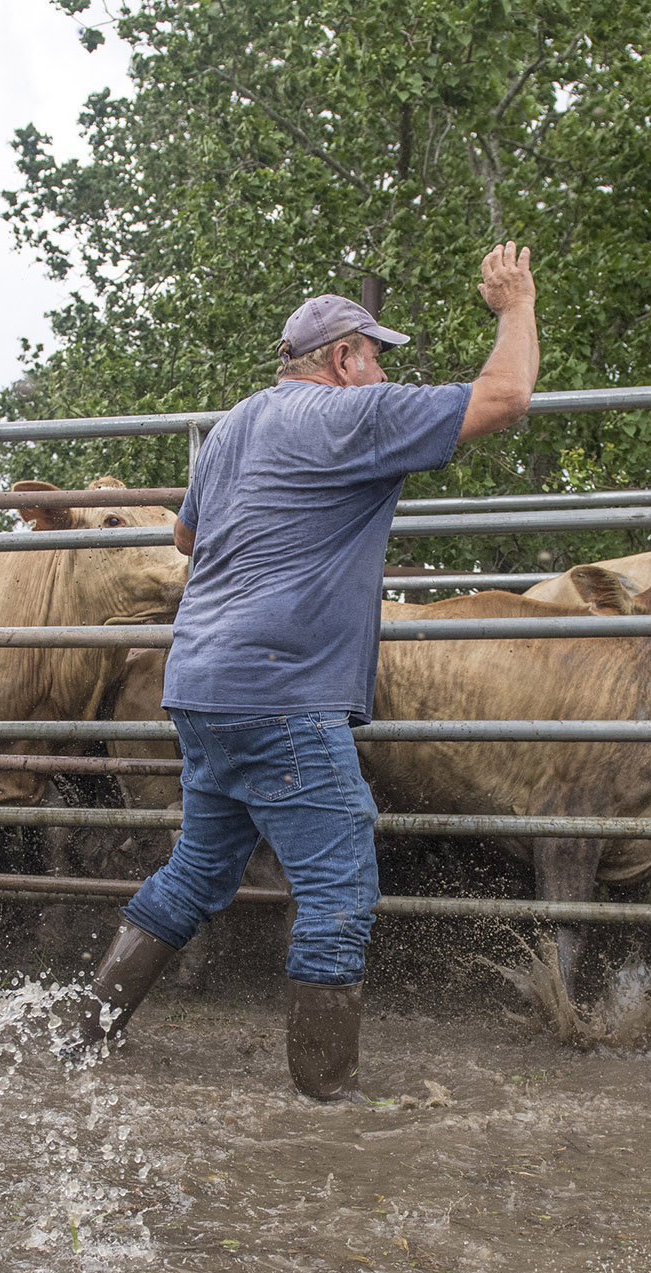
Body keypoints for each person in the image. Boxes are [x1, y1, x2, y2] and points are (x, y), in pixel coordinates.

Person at [69, 244, 541, 1100]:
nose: (383, 372)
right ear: (342, 358)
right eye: (376, 357)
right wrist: (513, 303)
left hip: (203, 685)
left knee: (197, 872)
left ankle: (87, 1036)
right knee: (339, 886)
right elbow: (506, 397)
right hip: (283, 694)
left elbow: (186, 538)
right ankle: (328, 1096)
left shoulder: (233, 428)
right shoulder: (352, 417)